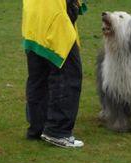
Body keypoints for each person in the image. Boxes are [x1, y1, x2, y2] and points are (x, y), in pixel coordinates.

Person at [22, 0, 87, 148]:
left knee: (39, 76)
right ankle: (57, 131)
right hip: (55, 19)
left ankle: (38, 127)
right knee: (68, 74)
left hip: (34, 18)